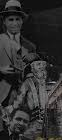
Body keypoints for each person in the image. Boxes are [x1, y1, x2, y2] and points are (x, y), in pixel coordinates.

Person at [0, 0, 38, 131]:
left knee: (19, 133)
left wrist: (35, 59)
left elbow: (34, 74)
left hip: (22, 97)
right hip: (2, 93)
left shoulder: (30, 46)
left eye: (18, 19)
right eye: (11, 19)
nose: (15, 23)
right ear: (4, 22)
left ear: (22, 21)